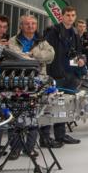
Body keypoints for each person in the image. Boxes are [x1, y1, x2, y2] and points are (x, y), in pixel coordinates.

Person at [6, 15, 55, 159]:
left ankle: (30, 148)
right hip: (17, 81)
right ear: (21, 26)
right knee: (14, 115)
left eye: (33, 23)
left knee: (34, 115)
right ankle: (15, 149)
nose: (31, 26)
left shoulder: (42, 41)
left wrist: (33, 54)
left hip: (37, 81)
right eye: (27, 24)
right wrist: (33, 58)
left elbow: (51, 55)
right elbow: (13, 55)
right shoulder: (13, 40)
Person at [41, 6, 84, 148]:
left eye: (73, 15)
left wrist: (81, 59)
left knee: (63, 107)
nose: (70, 18)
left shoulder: (75, 33)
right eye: (67, 15)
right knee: (48, 106)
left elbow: (79, 52)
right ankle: (45, 138)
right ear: (62, 16)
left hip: (70, 75)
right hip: (55, 75)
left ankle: (60, 135)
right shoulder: (53, 31)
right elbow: (45, 52)